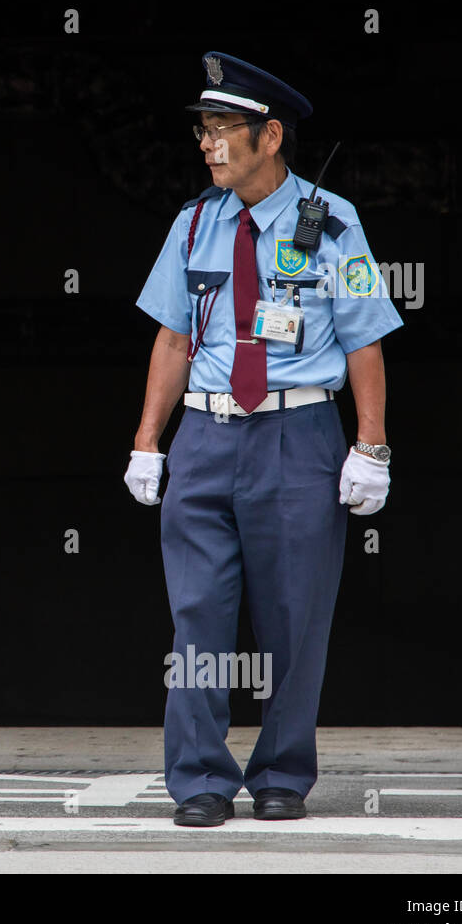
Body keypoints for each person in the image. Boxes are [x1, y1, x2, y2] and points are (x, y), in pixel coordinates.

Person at [123, 52, 402, 827]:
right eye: (204, 132)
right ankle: (201, 778)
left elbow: (365, 341)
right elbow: (173, 340)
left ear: (270, 135)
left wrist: (369, 446)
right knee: (198, 615)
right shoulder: (191, 226)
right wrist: (149, 441)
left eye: (224, 131)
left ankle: (282, 770)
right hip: (207, 436)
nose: (209, 145)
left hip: (299, 432)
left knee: (295, 615)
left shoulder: (331, 220)